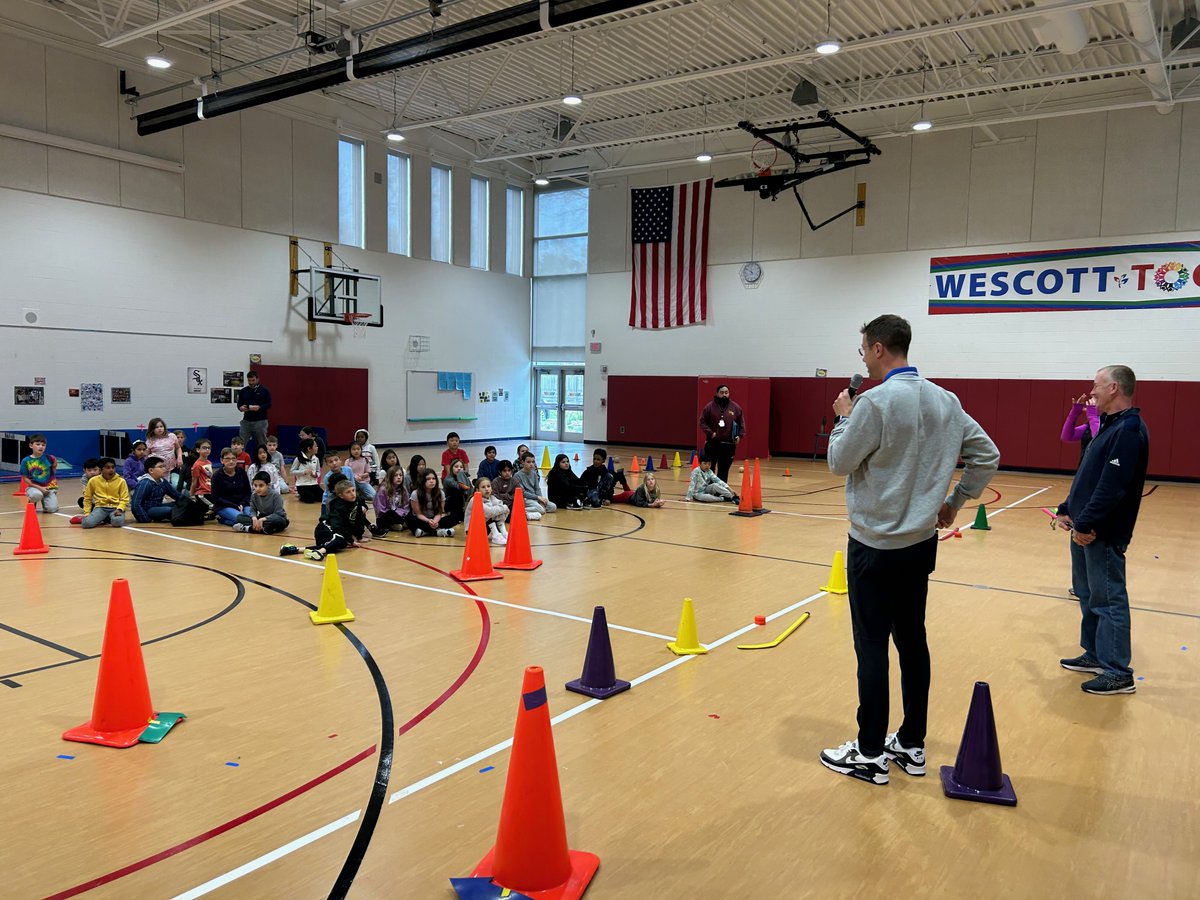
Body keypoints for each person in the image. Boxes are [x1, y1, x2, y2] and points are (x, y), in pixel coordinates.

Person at [820, 314, 999, 786]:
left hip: (873, 547)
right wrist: (953, 503)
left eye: (863, 349)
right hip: (919, 546)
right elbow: (988, 455)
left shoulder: (874, 403)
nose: (862, 358)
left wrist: (843, 419)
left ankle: (870, 751)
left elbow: (839, 462)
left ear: (879, 349)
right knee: (912, 641)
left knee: (872, 647)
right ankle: (912, 744)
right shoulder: (947, 400)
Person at [1054, 365, 1149, 696]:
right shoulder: (1106, 428)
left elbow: (1112, 488)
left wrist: (1086, 525)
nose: (1091, 392)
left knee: (1108, 600)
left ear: (1114, 389)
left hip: (1102, 534)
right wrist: (1068, 508)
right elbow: (1087, 476)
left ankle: (1118, 671)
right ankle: (1095, 654)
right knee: (1087, 594)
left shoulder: (1129, 430)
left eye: (1096, 386)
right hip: (1083, 529)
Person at [286, 478, 371, 560]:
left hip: (335, 531)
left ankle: (296, 549)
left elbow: (359, 519)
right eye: (348, 492)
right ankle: (319, 552)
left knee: (337, 544)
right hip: (325, 528)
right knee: (341, 540)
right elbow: (337, 526)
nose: (352, 494)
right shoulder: (338, 505)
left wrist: (359, 536)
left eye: (353, 490)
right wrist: (351, 541)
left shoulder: (358, 501)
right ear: (341, 495)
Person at [699, 384, 745, 483]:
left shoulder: (736, 408)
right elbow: (702, 422)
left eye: (726, 392)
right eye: (722, 392)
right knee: (709, 469)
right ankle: (708, 489)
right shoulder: (709, 407)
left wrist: (740, 436)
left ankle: (721, 491)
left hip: (728, 445)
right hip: (712, 444)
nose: (724, 394)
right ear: (717, 393)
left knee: (723, 470)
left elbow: (741, 424)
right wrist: (710, 433)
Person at [405, 469, 458, 537]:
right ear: (422, 480)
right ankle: (438, 532)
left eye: (433, 478)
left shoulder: (440, 493)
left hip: (435, 519)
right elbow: (418, 514)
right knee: (408, 518)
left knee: (455, 517)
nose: (431, 481)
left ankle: (425, 532)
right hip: (422, 519)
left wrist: (435, 522)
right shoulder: (415, 494)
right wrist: (428, 521)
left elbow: (439, 512)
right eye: (428, 479)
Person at [131, 456, 184, 523]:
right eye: (160, 467)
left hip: (158, 506)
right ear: (151, 470)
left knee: (181, 504)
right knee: (170, 510)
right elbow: (135, 504)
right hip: (149, 510)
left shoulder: (163, 481)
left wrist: (188, 502)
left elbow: (176, 495)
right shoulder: (145, 483)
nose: (164, 469)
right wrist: (145, 519)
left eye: (164, 466)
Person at [82, 457, 130, 528]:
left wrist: (120, 509)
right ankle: (104, 517)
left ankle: (106, 518)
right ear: (101, 470)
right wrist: (87, 513)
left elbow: (125, 498)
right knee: (86, 524)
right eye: (107, 468)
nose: (111, 470)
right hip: (101, 508)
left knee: (117, 522)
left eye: (113, 467)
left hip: (116, 508)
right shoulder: (93, 481)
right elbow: (87, 498)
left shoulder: (121, 481)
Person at [211, 448, 253, 526]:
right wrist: (234, 506)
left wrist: (242, 503)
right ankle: (254, 525)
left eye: (233, 459)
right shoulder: (217, 476)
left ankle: (224, 520)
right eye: (227, 459)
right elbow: (215, 497)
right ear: (221, 460)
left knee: (252, 516)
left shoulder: (242, 472)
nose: (231, 461)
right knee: (242, 518)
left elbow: (248, 492)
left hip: (242, 504)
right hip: (224, 506)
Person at [21, 433, 59, 514]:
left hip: (48, 488)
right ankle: (32, 501)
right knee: (36, 495)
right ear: (31, 446)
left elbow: (54, 467)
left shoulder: (50, 458)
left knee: (52, 509)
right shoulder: (26, 461)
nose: (41, 446)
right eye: (38, 444)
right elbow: (25, 478)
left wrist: (51, 485)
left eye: (43, 445)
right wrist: (40, 488)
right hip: (34, 487)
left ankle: (47, 502)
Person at [467, 477, 509, 545]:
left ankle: (503, 532)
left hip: (485, 528)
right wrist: (504, 507)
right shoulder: (474, 499)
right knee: (490, 512)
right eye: (483, 487)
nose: (486, 489)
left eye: (488, 486)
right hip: (473, 530)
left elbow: (505, 510)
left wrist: (502, 508)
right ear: (477, 490)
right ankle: (495, 535)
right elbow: (489, 513)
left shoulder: (492, 498)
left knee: (497, 510)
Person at [514, 452, 555, 520]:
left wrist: (541, 500)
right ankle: (519, 511)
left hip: (536, 498)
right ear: (522, 462)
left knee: (553, 507)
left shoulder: (534, 474)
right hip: (526, 499)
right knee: (541, 510)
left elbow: (537, 489)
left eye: (533, 462)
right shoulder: (517, 476)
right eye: (528, 462)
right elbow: (523, 493)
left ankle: (533, 509)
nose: (531, 464)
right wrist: (537, 497)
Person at [237, 370, 271, 452]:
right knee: (241, 442)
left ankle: (264, 459)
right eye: (249, 380)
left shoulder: (264, 390)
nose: (251, 382)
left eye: (253, 380)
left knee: (262, 442)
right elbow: (239, 404)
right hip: (247, 420)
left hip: (260, 421)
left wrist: (259, 407)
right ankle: (240, 460)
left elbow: (269, 404)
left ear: (257, 379)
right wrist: (241, 408)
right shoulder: (243, 391)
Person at [1061, 393, 1101, 458]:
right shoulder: (1090, 425)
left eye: (1094, 401)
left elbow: (1099, 441)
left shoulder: (1110, 423)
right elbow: (1067, 436)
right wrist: (1074, 412)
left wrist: (1092, 415)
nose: (1090, 403)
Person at [374, 465, 409, 532]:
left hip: (399, 515)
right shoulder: (383, 490)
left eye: (400, 475)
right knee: (391, 514)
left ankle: (397, 525)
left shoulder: (403, 489)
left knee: (411, 515)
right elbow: (380, 510)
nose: (399, 477)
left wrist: (399, 513)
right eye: (395, 475)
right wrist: (395, 513)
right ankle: (401, 524)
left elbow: (406, 507)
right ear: (390, 477)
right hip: (385, 516)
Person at [291, 438, 323, 503]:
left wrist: (316, 475)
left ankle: (311, 494)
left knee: (322, 498)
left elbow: (318, 471)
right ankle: (302, 495)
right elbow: (292, 471)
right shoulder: (298, 459)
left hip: (313, 483)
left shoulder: (316, 459)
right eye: (315, 446)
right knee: (310, 499)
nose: (317, 447)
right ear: (309, 449)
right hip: (302, 485)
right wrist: (303, 472)